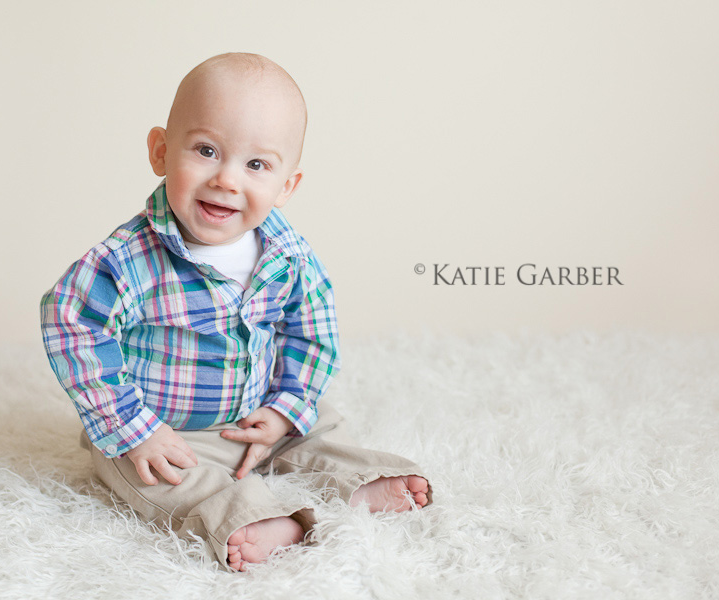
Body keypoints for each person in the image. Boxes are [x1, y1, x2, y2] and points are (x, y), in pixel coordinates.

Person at [40, 52, 431, 571]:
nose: (227, 179)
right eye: (206, 150)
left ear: (286, 186)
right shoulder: (126, 260)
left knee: (320, 424)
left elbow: (312, 332)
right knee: (148, 474)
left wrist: (285, 408)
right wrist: (134, 427)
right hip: (166, 431)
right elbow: (71, 324)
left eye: (256, 165)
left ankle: (356, 481)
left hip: (258, 413)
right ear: (161, 151)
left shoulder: (287, 253)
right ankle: (246, 515)